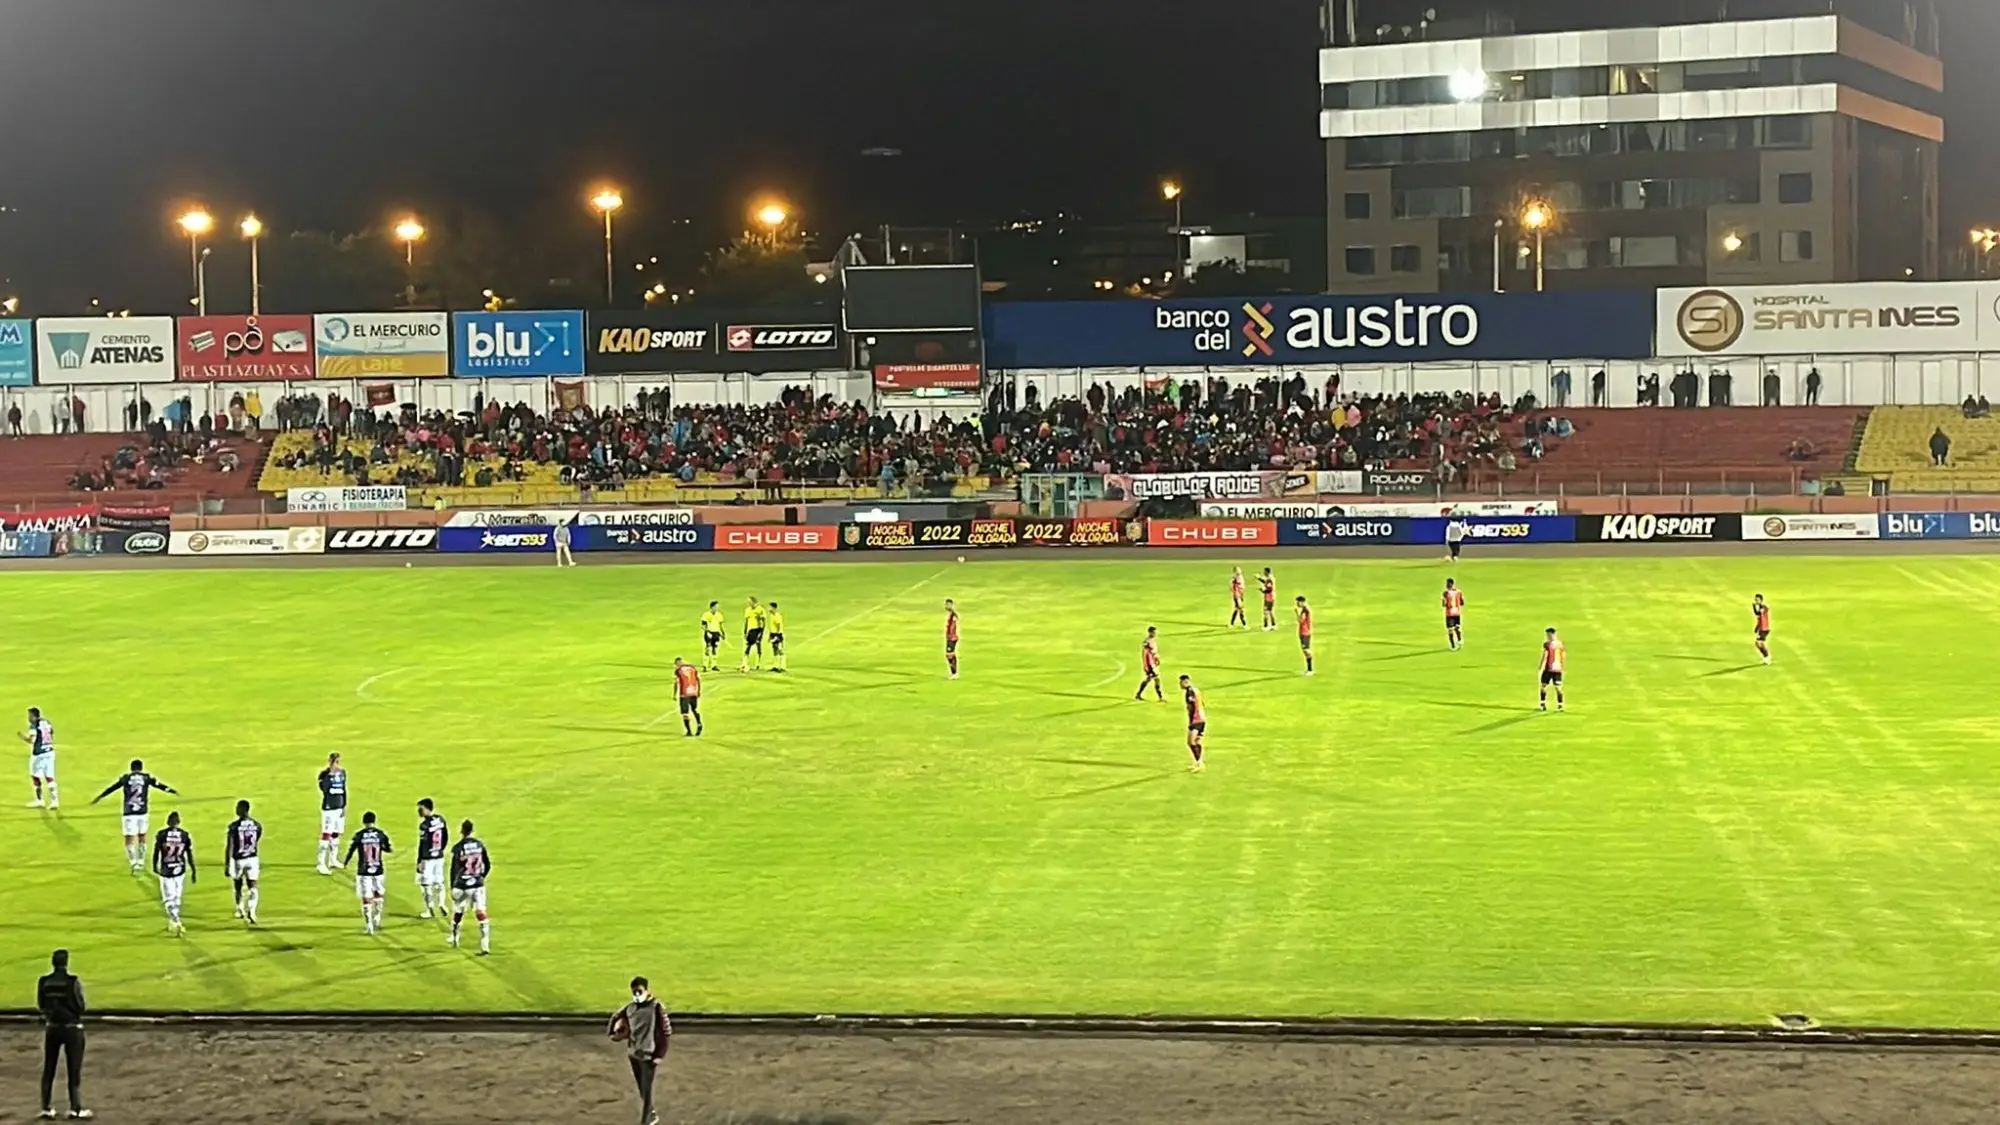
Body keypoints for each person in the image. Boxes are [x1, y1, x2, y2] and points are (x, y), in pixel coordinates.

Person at [92, 760, 176, 873]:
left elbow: (113, 788)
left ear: (131, 768)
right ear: (141, 768)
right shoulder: (146, 777)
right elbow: (159, 785)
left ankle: (133, 863)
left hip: (129, 813)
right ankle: (141, 862)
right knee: (142, 837)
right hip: (142, 811)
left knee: (129, 839)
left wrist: (100, 797)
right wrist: (171, 791)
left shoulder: (126, 778)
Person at [609, 976, 671, 1125]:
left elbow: (666, 1032)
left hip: (649, 1055)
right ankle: (651, 1114)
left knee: (647, 1090)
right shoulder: (630, 1008)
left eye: (639, 991)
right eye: (634, 992)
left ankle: (646, 1120)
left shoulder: (656, 1008)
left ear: (646, 990)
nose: (637, 995)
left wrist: (660, 1054)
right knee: (642, 1088)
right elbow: (615, 1018)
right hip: (634, 1054)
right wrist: (615, 1031)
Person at [37, 949, 90, 1120]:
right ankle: (75, 1108)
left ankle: (46, 1107)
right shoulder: (72, 981)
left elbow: (41, 1004)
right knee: (73, 1069)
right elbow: (80, 1005)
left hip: (52, 1027)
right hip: (72, 1028)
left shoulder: (44, 982)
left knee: (49, 1068)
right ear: (66, 963)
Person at [342, 810, 392, 935]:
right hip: (378, 869)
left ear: (364, 822)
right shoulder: (380, 834)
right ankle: (377, 917)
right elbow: (387, 848)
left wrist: (346, 861)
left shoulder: (359, 835)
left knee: (366, 897)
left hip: (364, 870)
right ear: (374, 821)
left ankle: (369, 925)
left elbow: (352, 849)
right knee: (378, 893)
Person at [448, 819, 492, 954]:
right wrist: (481, 877)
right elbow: (488, 864)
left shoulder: (459, 847)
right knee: (480, 912)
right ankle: (485, 944)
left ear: (462, 831)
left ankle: (454, 937)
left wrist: (452, 885)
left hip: (462, 884)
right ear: (472, 830)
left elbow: (454, 868)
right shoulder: (479, 845)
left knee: (459, 911)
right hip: (477, 883)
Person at [152, 810, 196, 937]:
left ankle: (176, 921)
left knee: (168, 900)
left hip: (166, 870)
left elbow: (157, 851)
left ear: (167, 822)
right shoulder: (184, 835)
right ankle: (174, 921)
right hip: (180, 869)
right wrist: (193, 870)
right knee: (176, 898)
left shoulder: (161, 835)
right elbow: (189, 853)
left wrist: (155, 865)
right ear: (179, 822)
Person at [224, 799, 263, 925]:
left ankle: (240, 908)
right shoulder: (256, 824)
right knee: (253, 886)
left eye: (238, 807)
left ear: (242, 809)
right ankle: (252, 911)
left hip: (238, 859)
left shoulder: (234, 826)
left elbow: (230, 845)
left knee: (238, 885)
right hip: (252, 857)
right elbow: (257, 838)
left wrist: (227, 863)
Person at [415, 798, 450, 919]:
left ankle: (429, 909)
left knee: (426, 884)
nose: (419, 812)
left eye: (421, 809)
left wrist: (420, 860)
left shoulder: (424, 825)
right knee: (439, 881)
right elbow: (446, 836)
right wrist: (441, 849)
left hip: (428, 858)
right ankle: (442, 903)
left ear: (427, 808)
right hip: (439, 855)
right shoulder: (440, 819)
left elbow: (422, 844)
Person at [317, 752, 349, 875]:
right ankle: (321, 863)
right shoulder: (325, 775)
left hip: (339, 807)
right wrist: (329, 773)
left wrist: (344, 806)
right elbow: (324, 789)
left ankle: (333, 860)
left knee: (336, 833)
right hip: (329, 808)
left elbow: (344, 790)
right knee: (326, 834)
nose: (337, 764)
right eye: (335, 762)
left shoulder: (342, 773)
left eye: (338, 762)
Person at [21, 706, 56, 808]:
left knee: (35, 776)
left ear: (34, 716)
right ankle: (55, 801)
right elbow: (51, 734)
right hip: (49, 751)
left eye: (29, 715)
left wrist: (22, 737)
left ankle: (39, 800)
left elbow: (31, 740)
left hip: (39, 754)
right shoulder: (47, 722)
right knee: (49, 777)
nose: (28, 718)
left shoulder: (34, 725)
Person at [1179, 674, 1206, 773]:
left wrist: (1191, 720)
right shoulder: (1195, 690)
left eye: (1181, 682)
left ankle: (1199, 763)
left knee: (1191, 742)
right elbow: (1202, 703)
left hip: (1196, 719)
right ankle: (1198, 762)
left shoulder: (1189, 692)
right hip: (1201, 718)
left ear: (1185, 682)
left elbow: (1192, 708)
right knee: (1196, 741)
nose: (1180, 685)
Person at [1538, 627, 1566, 712]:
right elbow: (1563, 655)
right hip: (1554, 669)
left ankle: (1559, 705)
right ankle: (1543, 704)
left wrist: (1540, 665)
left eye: (1548, 634)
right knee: (1545, 687)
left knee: (1556, 688)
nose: (1547, 636)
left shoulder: (1548, 644)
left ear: (1553, 634)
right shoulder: (1560, 644)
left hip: (1553, 669)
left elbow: (1545, 655)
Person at [673, 658, 703, 737]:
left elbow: (676, 682)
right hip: (693, 692)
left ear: (677, 663)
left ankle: (689, 731)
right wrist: (699, 690)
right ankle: (699, 723)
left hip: (684, 693)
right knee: (694, 709)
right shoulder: (692, 667)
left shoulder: (678, 670)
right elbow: (698, 679)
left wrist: (674, 694)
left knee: (685, 713)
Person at [1133, 626, 1164, 701]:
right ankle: (1160, 697)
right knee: (1156, 679)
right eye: (1153, 632)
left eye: (1155, 632)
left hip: (1152, 663)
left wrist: (1156, 659)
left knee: (1149, 679)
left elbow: (1153, 653)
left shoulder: (1152, 641)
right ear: (1150, 632)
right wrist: (1148, 665)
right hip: (1150, 664)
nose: (1155, 633)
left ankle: (1138, 694)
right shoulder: (1147, 642)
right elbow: (1146, 654)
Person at [739, 596, 766, 672]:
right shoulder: (747, 610)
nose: (749, 603)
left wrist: (761, 631)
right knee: (748, 646)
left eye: (750, 602)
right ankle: (745, 663)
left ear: (754, 602)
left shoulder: (760, 610)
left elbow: (763, 621)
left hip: (757, 629)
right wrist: (745, 631)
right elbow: (746, 621)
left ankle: (757, 664)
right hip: (750, 630)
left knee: (758, 645)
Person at [699, 600, 725, 672]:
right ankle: (705, 665)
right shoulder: (706, 615)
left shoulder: (719, 615)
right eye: (716, 607)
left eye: (717, 607)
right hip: (709, 633)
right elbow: (703, 625)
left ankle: (714, 665)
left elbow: (720, 625)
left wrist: (723, 633)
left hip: (716, 633)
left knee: (715, 649)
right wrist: (707, 632)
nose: (717, 608)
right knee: (707, 649)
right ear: (712, 607)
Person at [1442, 579, 1465, 651]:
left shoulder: (1449, 593)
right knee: (1452, 629)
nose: (1447, 585)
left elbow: (1444, 604)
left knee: (1454, 628)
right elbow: (1462, 603)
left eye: (1448, 584)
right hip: (1453, 613)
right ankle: (1454, 644)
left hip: (1453, 613)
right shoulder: (1456, 592)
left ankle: (1458, 642)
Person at [1294, 595, 1314, 676]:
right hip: (1304, 632)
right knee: (1305, 651)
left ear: (1301, 602)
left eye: (1298, 602)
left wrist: (1296, 613)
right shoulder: (1305, 609)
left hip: (1304, 633)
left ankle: (1310, 669)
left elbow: (1300, 621)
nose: (1297, 604)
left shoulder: (1305, 610)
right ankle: (1309, 669)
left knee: (1306, 650)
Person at [766, 601, 788, 672]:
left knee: (780, 650)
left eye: (769, 607)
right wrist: (770, 636)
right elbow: (772, 626)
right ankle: (775, 666)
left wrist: (777, 636)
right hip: (773, 634)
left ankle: (782, 667)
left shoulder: (777, 615)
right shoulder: (771, 615)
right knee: (774, 650)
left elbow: (779, 626)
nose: (768, 608)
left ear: (773, 608)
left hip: (777, 634)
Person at [1752, 594, 1773, 665]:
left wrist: (1755, 606)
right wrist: (1756, 628)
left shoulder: (1764, 608)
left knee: (1759, 643)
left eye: (1757, 600)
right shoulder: (1761, 608)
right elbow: (1758, 615)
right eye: (1755, 600)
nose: (1756, 601)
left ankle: (1767, 657)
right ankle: (1766, 657)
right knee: (1758, 644)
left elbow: (1758, 612)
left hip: (1765, 628)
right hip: (1761, 628)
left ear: (1761, 600)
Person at [944, 598, 961, 679]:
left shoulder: (953, 615)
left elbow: (953, 627)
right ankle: (953, 672)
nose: (947, 606)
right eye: (946, 604)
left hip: (952, 638)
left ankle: (955, 673)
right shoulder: (950, 614)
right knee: (949, 655)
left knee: (950, 655)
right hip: (950, 637)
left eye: (948, 604)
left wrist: (950, 637)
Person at [1258, 567, 1276, 631]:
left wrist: (1262, 591)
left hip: (1269, 598)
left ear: (1267, 572)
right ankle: (1273, 625)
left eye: (1264, 571)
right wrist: (1258, 578)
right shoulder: (1270, 578)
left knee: (1266, 611)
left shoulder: (1270, 579)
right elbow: (1265, 582)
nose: (1264, 573)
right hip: (1270, 597)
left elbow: (1269, 589)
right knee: (1270, 611)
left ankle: (1266, 626)